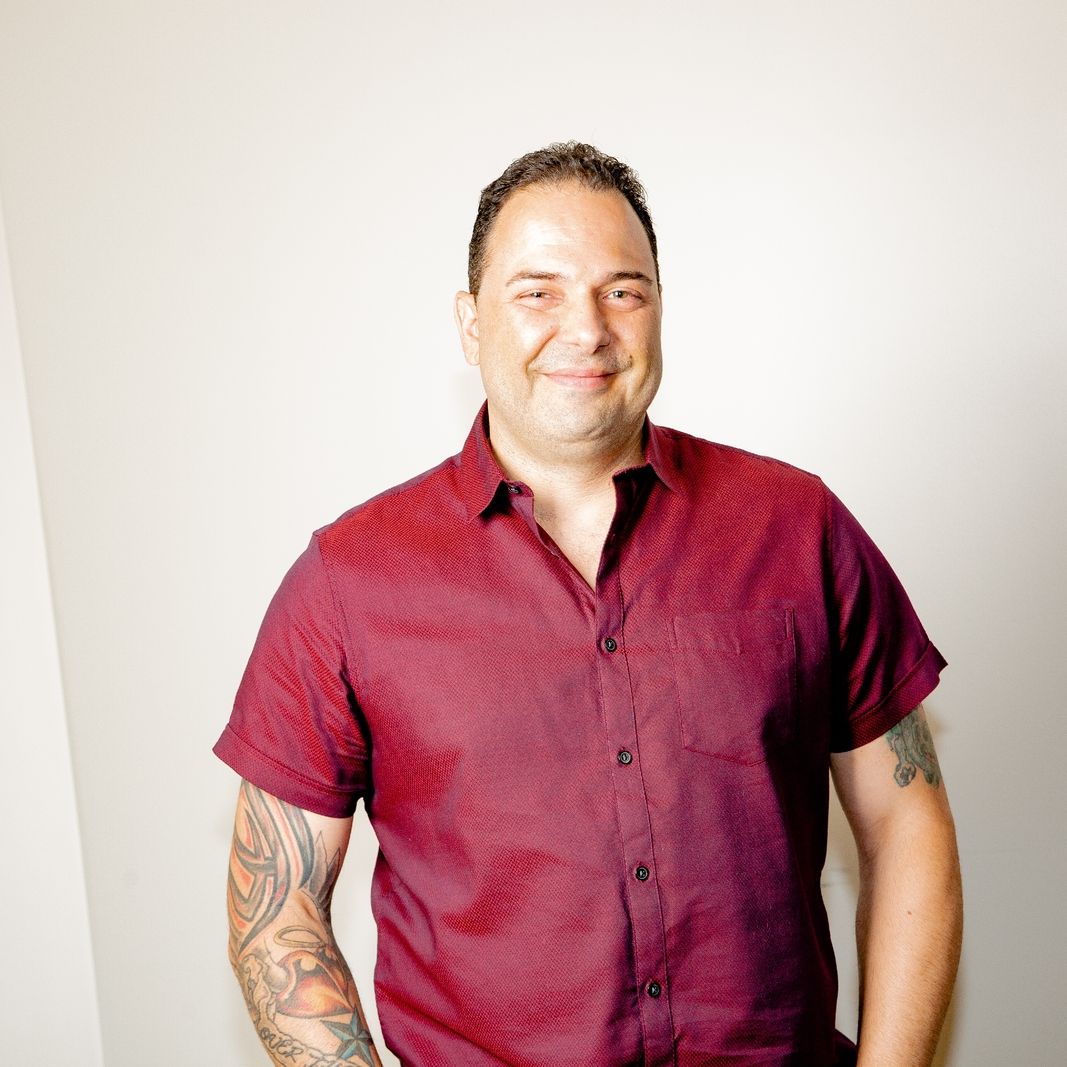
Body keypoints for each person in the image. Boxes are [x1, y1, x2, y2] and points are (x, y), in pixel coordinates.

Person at [216, 142, 962, 1067]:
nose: (587, 329)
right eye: (538, 292)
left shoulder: (797, 527)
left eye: (622, 291)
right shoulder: (348, 581)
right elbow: (275, 909)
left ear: (659, 308)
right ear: (470, 323)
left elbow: (904, 824)